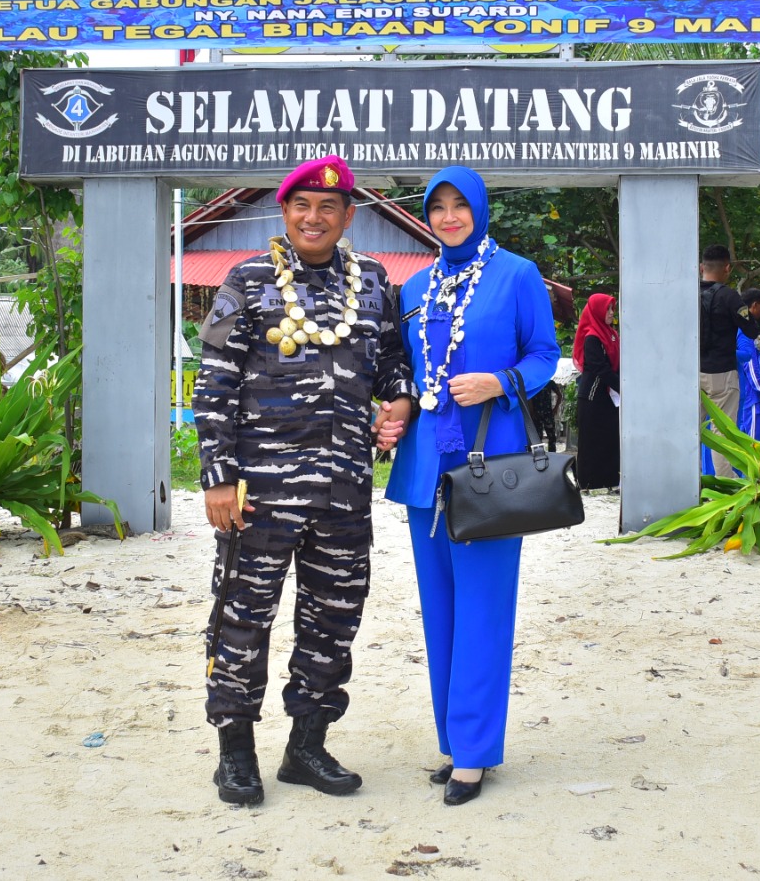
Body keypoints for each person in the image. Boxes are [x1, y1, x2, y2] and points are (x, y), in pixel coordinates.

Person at [193, 154, 414, 807]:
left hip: (344, 488)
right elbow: (215, 382)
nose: (313, 218)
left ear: (348, 217)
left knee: (333, 619)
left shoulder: (372, 282)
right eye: (302, 206)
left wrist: (400, 400)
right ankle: (235, 753)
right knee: (242, 617)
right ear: (285, 211)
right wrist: (217, 477)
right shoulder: (249, 279)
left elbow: (392, 361)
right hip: (259, 492)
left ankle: (306, 747)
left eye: (328, 208)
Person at [385, 165, 559, 808]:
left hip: (491, 467)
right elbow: (406, 370)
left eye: (461, 204)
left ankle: (476, 752)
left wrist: (500, 382)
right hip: (425, 467)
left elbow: (545, 354)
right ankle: (454, 741)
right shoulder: (416, 286)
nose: (450, 216)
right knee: (439, 610)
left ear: (481, 210)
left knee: (483, 607)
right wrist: (397, 406)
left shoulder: (517, 275)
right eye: (438, 207)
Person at [698, 245, 760, 475]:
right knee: (723, 433)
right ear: (727, 268)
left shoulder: (687, 294)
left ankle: (688, 485)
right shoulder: (729, 297)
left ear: (701, 267)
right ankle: (725, 486)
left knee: (689, 431)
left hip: (690, 373)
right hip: (722, 375)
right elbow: (750, 330)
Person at [574, 292, 620, 491]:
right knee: (591, 439)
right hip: (592, 396)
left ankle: (609, 480)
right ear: (598, 311)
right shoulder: (592, 336)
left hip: (608, 395)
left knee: (610, 437)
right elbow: (600, 368)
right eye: (607, 309)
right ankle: (587, 482)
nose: (611, 313)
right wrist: (624, 386)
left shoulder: (611, 334)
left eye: (612, 308)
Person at [736, 289, 760, 445]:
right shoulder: (744, 329)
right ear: (755, 305)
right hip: (751, 394)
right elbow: (749, 363)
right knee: (755, 441)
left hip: (744, 391)